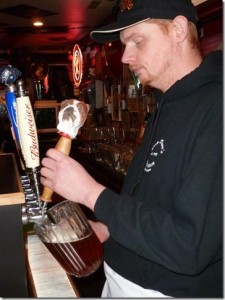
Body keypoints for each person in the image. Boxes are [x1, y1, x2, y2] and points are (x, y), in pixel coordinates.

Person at [40, 0, 223, 297]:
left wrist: (91, 193)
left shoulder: (217, 108)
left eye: (137, 41)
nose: (125, 56)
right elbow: (154, 201)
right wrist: (108, 228)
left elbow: (190, 246)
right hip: (119, 280)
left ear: (177, 29)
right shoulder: (166, 102)